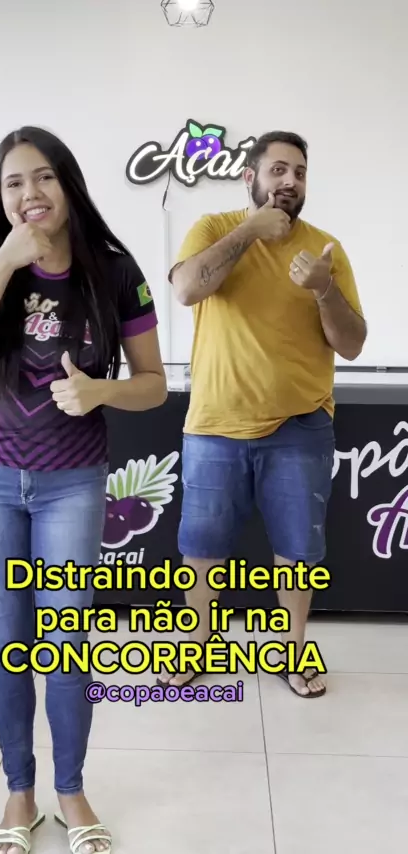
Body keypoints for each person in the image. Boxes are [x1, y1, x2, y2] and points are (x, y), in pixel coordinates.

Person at [0, 126, 167, 854]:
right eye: (13, 183)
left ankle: (70, 789)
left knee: (67, 643)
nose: (29, 194)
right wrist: (7, 258)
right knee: (8, 641)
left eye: (43, 178)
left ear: (67, 184)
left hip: (72, 482)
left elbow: (154, 385)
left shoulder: (114, 268)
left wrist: (100, 391)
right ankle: (19, 792)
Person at [159, 130, 366, 699]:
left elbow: (352, 345)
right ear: (249, 177)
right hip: (214, 424)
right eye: (278, 170)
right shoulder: (213, 229)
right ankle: (195, 645)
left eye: (299, 172)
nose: (290, 181)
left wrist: (323, 289)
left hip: (301, 425)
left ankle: (293, 652)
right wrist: (252, 230)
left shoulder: (325, 249)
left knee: (299, 549)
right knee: (201, 546)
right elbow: (186, 290)